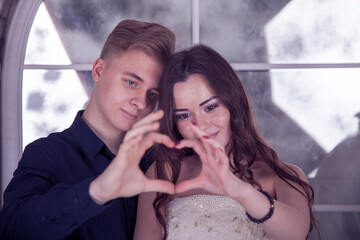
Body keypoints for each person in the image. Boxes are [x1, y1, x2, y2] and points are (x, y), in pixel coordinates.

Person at [0, 19, 176, 239]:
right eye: (131, 82)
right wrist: (98, 191)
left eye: (153, 94)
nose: (141, 102)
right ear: (99, 70)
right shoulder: (47, 154)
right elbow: (12, 229)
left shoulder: (157, 164)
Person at [134, 44, 319, 240]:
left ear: (233, 103)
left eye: (210, 107)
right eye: (184, 115)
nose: (201, 126)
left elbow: (296, 233)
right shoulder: (163, 173)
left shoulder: (282, 176)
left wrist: (240, 191)